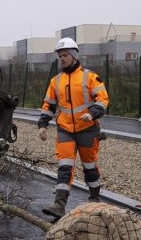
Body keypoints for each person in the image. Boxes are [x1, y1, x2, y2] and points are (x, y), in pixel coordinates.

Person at [38, 37, 110, 219]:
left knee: (90, 167)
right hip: (65, 129)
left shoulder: (90, 77)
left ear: (74, 55)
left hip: (88, 129)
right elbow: (48, 105)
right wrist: (43, 125)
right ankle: (59, 205)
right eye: (60, 56)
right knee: (64, 167)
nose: (62, 59)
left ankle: (95, 201)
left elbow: (103, 99)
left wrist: (93, 113)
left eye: (65, 55)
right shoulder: (56, 81)